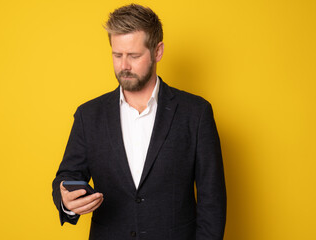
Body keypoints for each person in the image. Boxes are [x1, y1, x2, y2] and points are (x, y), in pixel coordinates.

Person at [52, 4, 226, 240]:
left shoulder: (196, 113)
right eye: (117, 55)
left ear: (158, 51)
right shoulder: (88, 115)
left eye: (134, 56)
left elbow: (212, 202)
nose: (124, 65)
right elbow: (67, 177)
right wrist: (66, 200)